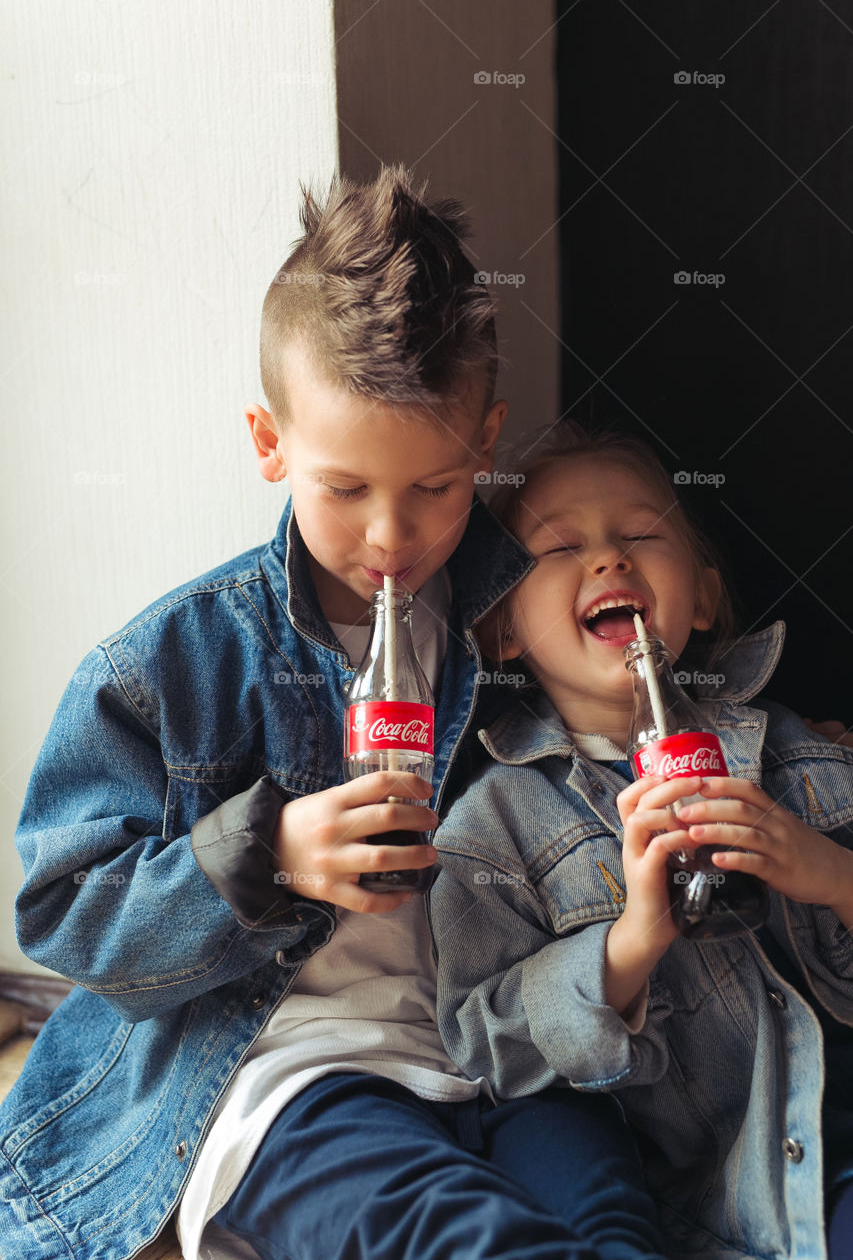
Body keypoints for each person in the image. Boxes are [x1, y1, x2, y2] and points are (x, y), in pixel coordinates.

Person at [0, 170, 668, 1260]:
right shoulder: (173, 658)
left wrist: (781, 747)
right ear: (271, 445)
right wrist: (263, 853)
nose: (391, 534)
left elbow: (640, 676)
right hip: (286, 1070)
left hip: (489, 1048)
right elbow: (66, 909)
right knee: (469, 1237)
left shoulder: (509, 621)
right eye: (344, 488)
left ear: (485, 443)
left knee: (615, 1219)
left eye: (438, 488)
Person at [431, 423, 853, 1260]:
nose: (608, 561)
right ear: (502, 630)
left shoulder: (796, 752)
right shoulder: (495, 826)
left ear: (698, 597)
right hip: (693, 1187)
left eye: (641, 534)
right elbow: (479, 1048)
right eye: (562, 547)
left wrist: (831, 872)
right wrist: (628, 945)